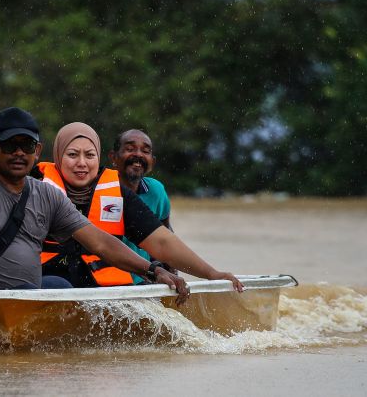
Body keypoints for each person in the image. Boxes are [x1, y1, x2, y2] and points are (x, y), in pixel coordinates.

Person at [0, 108, 190, 311]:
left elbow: (101, 242)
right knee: (54, 280)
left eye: (25, 145)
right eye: (9, 145)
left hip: (35, 289)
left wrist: (154, 270)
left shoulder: (47, 194)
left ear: (37, 151)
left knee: (59, 285)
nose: (18, 152)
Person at [35, 122, 243, 291]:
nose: (82, 163)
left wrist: (211, 274)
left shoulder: (118, 193)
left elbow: (161, 242)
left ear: (98, 159)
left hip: (105, 286)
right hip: (50, 282)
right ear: (58, 156)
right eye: (72, 155)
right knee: (57, 285)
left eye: (89, 155)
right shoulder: (35, 187)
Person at [108, 129, 173, 284]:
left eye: (146, 151)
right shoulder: (101, 189)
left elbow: (165, 236)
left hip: (143, 280)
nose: (138, 155)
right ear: (113, 157)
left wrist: (170, 270)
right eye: (130, 149)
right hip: (105, 281)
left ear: (152, 161)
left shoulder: (157, 191)